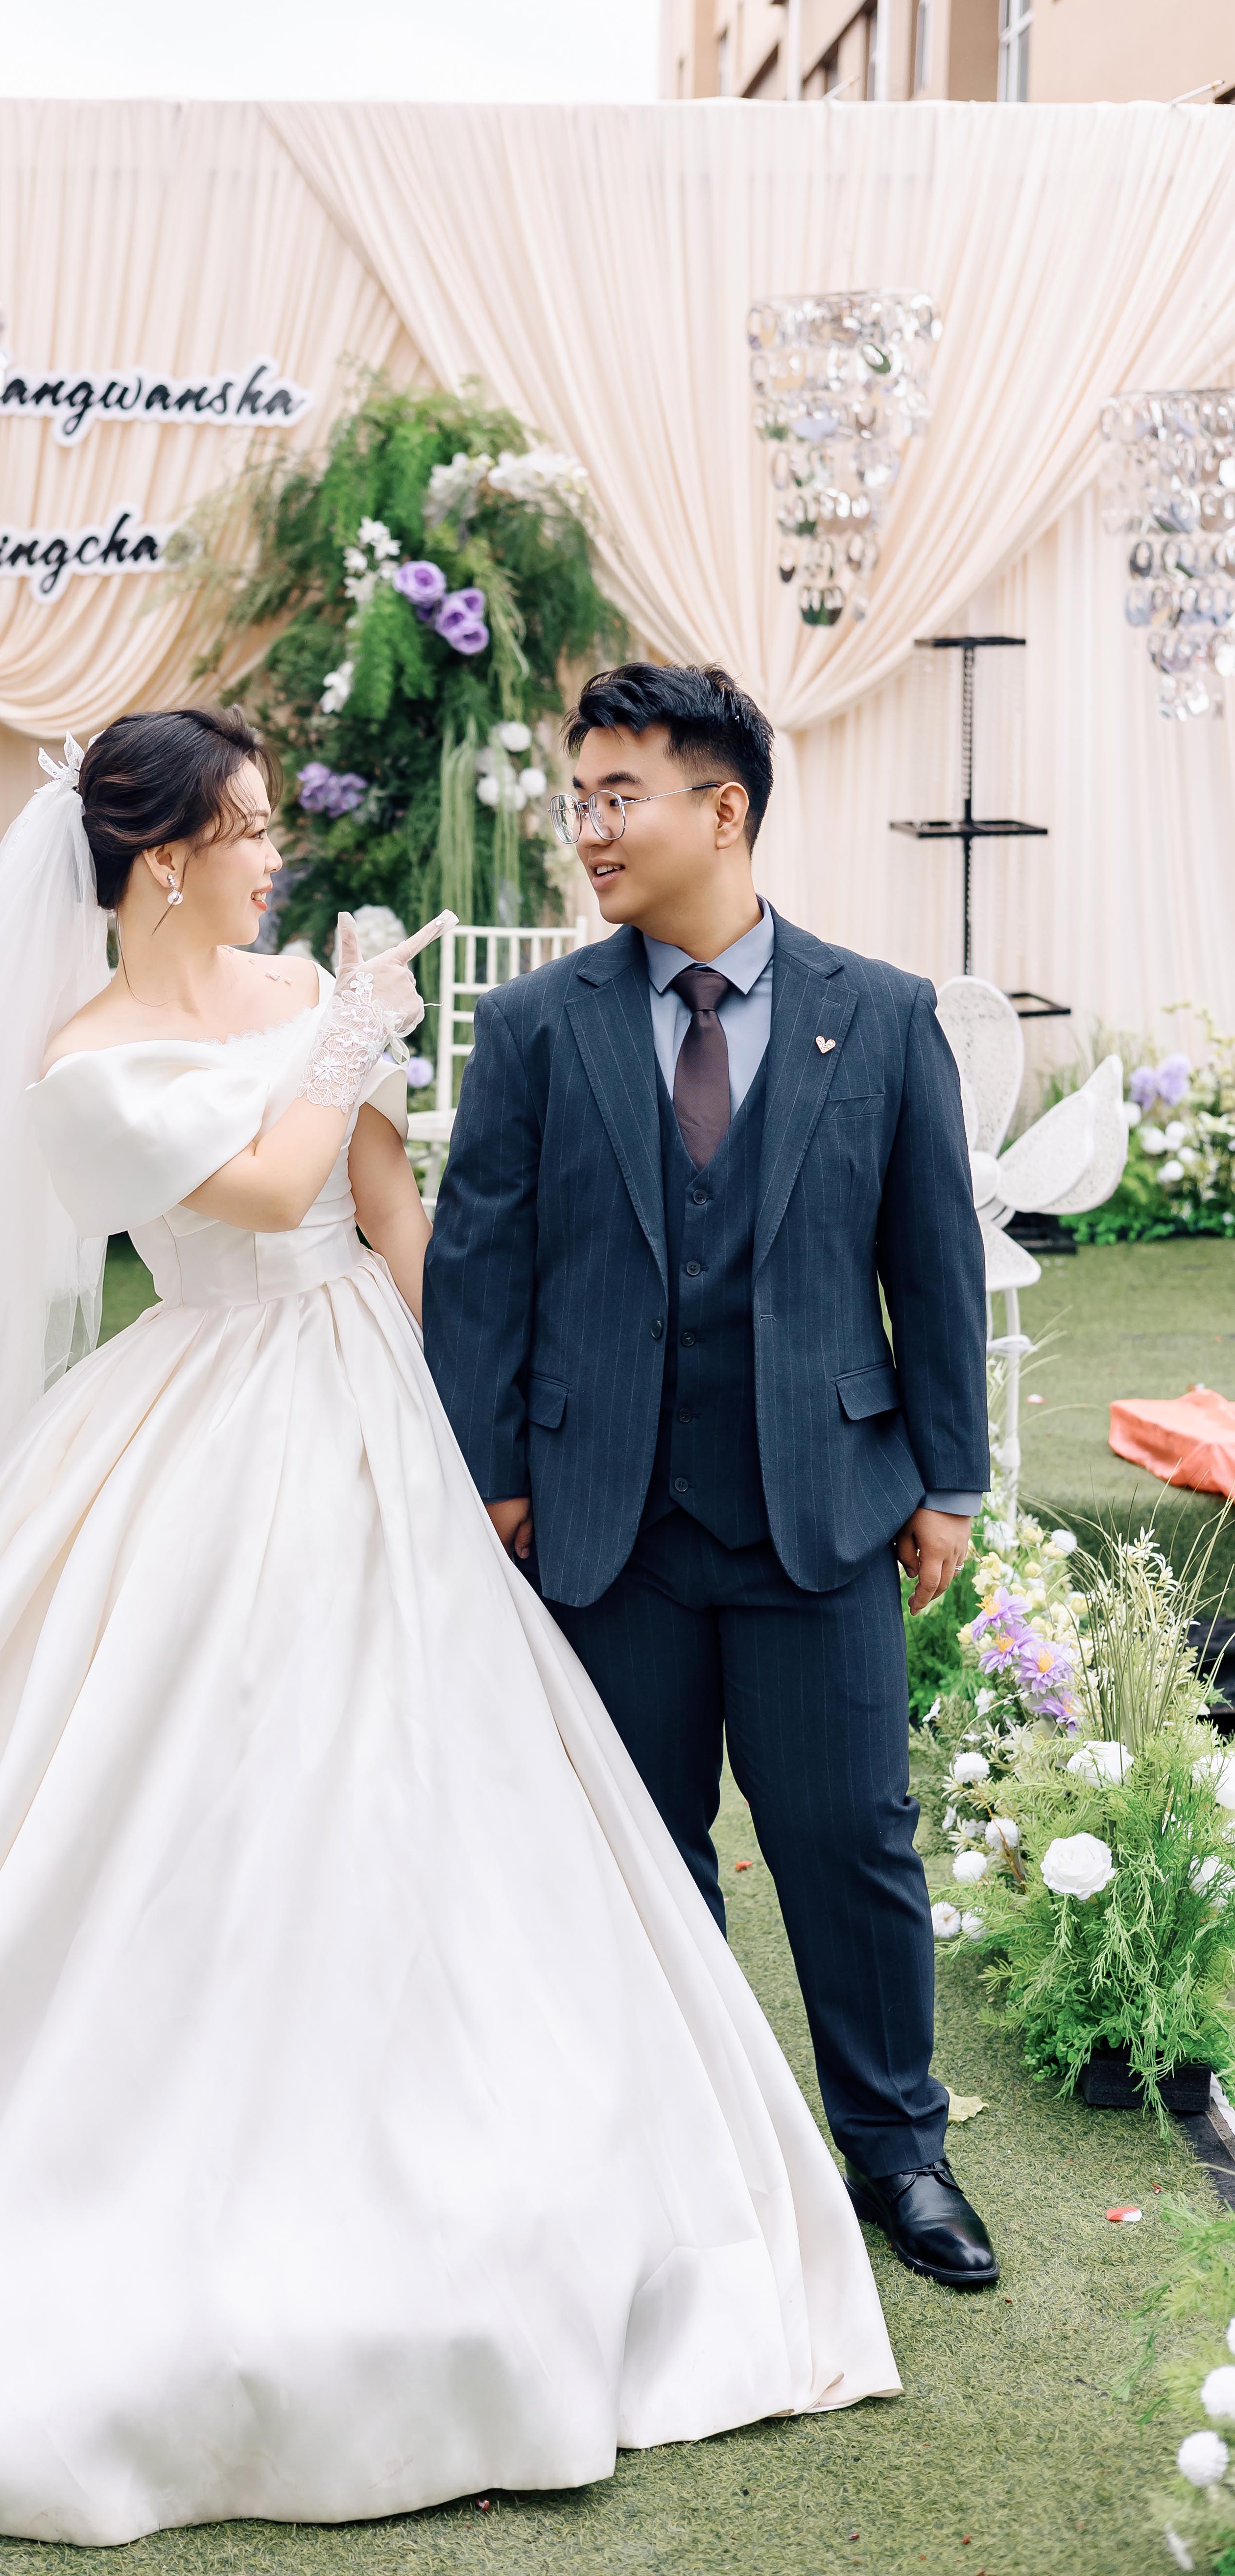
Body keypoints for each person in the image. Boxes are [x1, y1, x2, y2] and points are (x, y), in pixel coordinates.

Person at [0, 706, 898, 2550]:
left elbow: (383, 1209)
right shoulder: (83, 1063)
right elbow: (266, 1194)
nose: (279, 856)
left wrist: (485, 1423)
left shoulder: (297, 987)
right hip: (207, 1412)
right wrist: (352, 1029)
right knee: (186, 1773)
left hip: (371, 1402)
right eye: (253, 830)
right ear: (163, 861)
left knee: (438, 1777)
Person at [424, 660, 998, 2295]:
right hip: (602, 1515)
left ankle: (899, 2151)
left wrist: (946, 1481)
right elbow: (479, 1267)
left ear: (723, 808)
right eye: (580, 799)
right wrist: (493, 1478)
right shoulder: (536, 1027)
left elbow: (932, 1263)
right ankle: (671, 2153)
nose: (589, 829)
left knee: (852, 1838)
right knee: (637, 1851)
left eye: (620, 796)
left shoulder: (878, 1014)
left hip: (823, 1508)